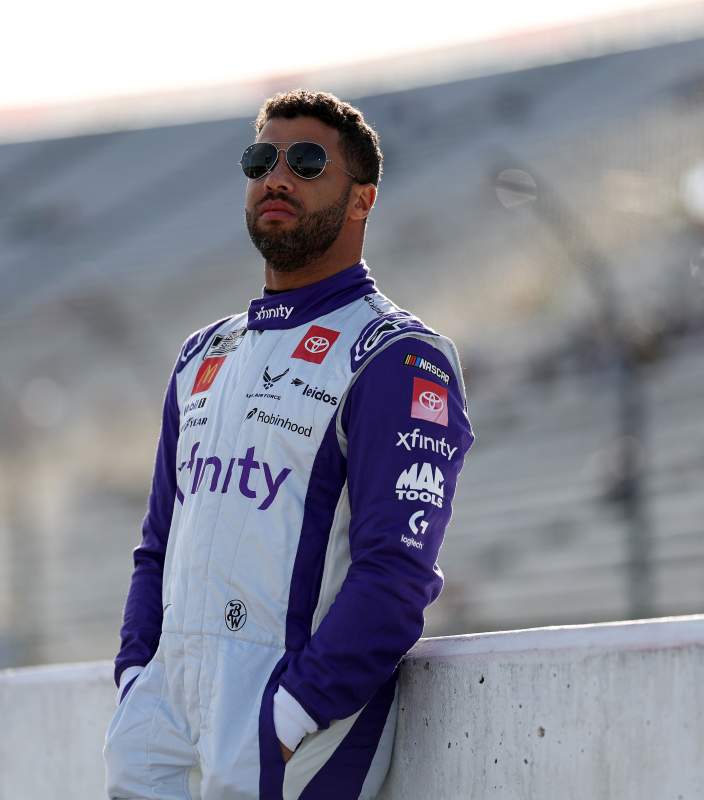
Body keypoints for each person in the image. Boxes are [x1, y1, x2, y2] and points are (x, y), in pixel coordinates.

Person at [104, 89, 475, 800]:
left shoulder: (394, 356)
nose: (276, 178)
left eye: (306, 163)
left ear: (362, 200)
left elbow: (396, 576)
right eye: (260, 160)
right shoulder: (203, 354)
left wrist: (289, 715)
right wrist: (135, 682)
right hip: (161, 736)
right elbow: (158, 546)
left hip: (284, 739)